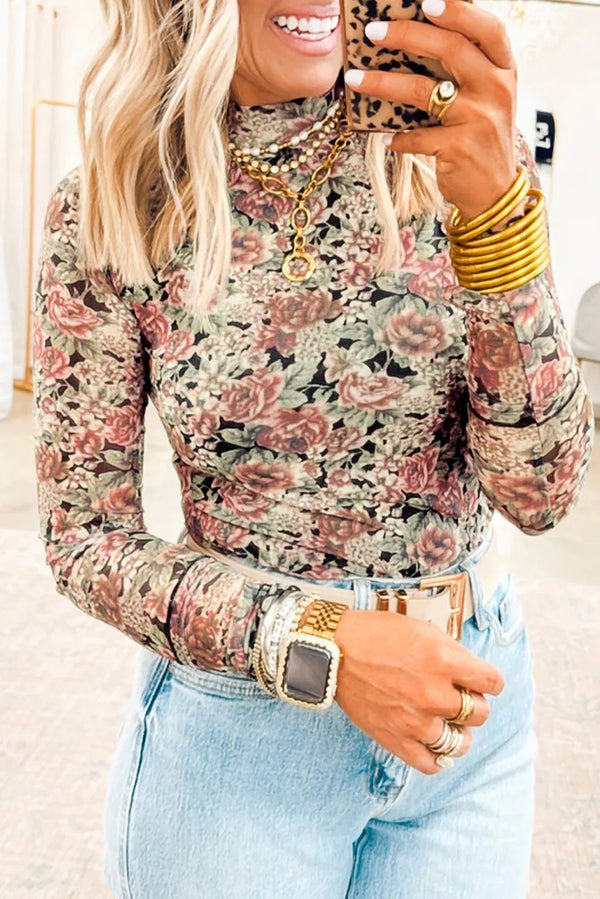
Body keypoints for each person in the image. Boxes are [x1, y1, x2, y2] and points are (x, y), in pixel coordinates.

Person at [32, 1, 594, 897]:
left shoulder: (454, 158)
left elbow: (543, 496)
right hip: (244, 743)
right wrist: (319, 639)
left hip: (468, 731)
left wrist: (496, 218)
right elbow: (85, 538)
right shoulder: (117, 205)